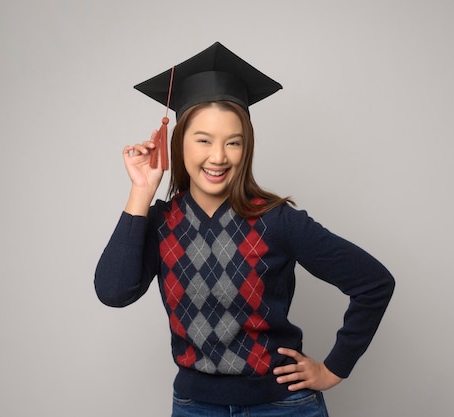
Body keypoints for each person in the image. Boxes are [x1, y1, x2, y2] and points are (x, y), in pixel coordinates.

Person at [95, 42, 395, 417]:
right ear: (179, 142)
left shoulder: (276, 220)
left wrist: (334, 369)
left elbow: (373, 283)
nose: (218, 156)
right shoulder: (160, 223)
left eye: (233, 143)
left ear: (246, 147)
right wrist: (141, 191)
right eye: (203, 140)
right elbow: (113, 292)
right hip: (195, 408)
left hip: (283, 406)